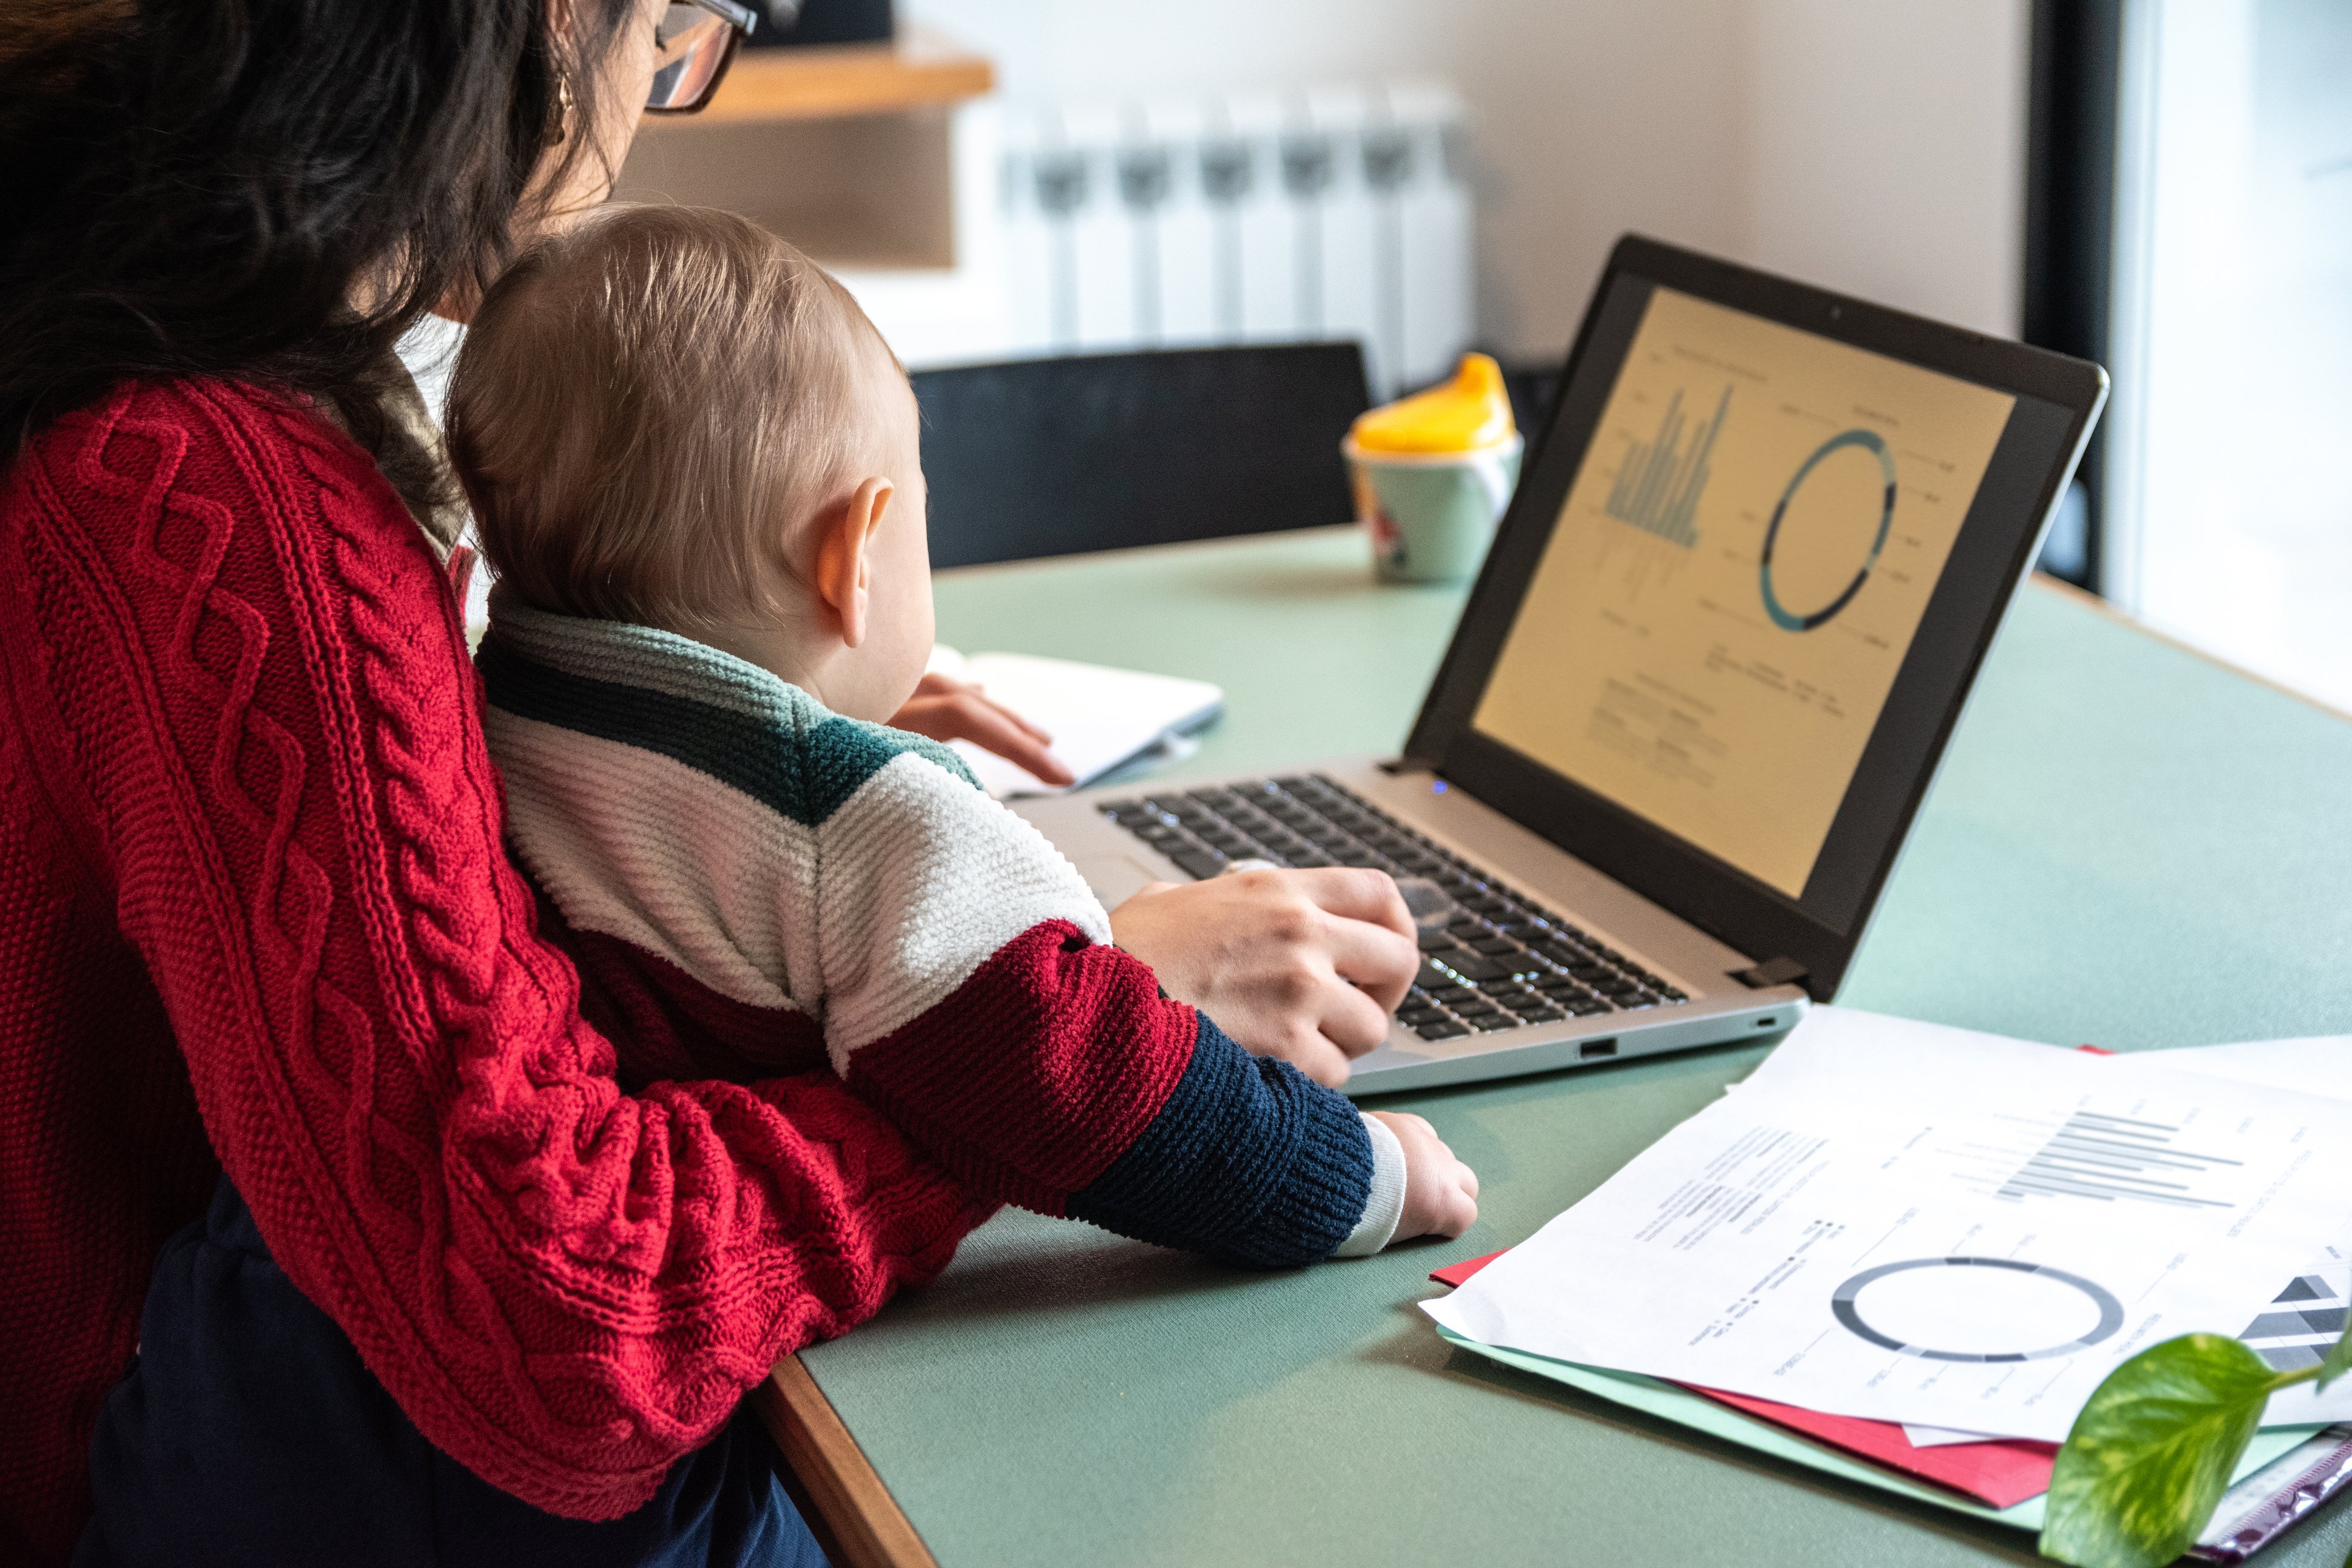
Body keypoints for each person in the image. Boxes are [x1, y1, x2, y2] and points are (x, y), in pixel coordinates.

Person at [0, 2, 1424, 1563]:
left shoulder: (214, 360)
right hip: (200, 1473)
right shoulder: (219, 481)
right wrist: (1040, 1046)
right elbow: (567, 1326)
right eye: (676, 30)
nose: (647, 107)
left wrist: (744, 710)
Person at [448, 203, 1480, 1270]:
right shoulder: (863, 821)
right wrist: (1362, 1175)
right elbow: (1094, 1084)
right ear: (852, 562)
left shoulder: (503, 698)